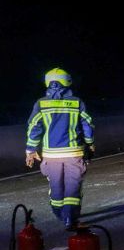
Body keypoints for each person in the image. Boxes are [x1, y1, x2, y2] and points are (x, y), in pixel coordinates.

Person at [25, 68, 96, 229]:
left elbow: (34, 127)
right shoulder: (77, 102)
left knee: (56, 187)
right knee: (73, 186)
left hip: (51, 156)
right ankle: (70, 219)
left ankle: (60, 213)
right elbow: (88, 125)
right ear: (67, 81)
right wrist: (90, 143)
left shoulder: (41, 103)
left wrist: (30, 150)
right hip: (74, 153)